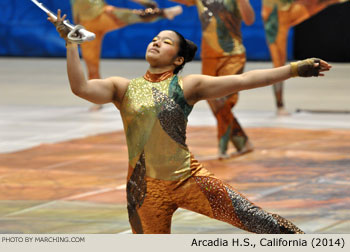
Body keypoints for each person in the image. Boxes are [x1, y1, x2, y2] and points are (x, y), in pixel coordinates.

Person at [47, 10, 331, 234]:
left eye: (166, 41)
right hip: (142, 190)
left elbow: (244, 80)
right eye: (155, 38)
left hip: (189, 179)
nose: (156, 42)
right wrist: (71, 44)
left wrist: (294, 69)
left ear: (178, 59)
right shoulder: (123, 88)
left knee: (258, 220)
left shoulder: (187, 85)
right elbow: (81, 88)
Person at [170, 0, 255, 159]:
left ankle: (222, 148)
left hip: (233, 56)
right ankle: (242, 141)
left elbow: (250, 20)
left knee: (222, 100)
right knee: (212, 98)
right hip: (209, 57)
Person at [70, 0, 183, 110]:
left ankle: (163, 13)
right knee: (91, 63)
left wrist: (144, 2)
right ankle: (96, 97)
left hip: (102, 14)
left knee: (132, 15)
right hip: (86, 25)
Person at [262, 0, 347, 116]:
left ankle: (280, 104)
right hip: (275, 12)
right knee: (278, 61)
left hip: (290, 6)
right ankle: (280, 104)